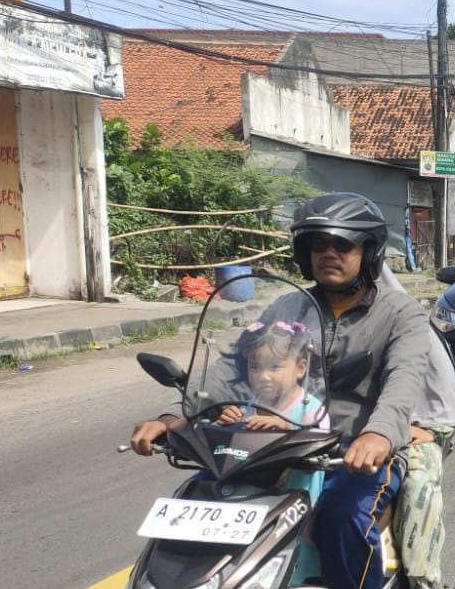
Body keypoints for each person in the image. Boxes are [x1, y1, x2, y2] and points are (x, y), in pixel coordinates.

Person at [130, 193, 430, 589]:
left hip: (352, 453)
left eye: (343, 245)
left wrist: (378, 435)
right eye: (318, 244)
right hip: (276, 445)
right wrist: (174, 417)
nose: (329, 253)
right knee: (206, 494)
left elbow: (404, 379)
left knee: (344, 517)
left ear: (369, 252)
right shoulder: (288, 307)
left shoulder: (400, 313)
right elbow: (232, 367)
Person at [375, 264, 455, 589]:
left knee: (417, 482)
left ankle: (422, 580)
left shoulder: (399, 317)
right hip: (339, 426)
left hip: (419, 422)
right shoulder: (306, 313)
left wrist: (397, 425)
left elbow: (404, 379)